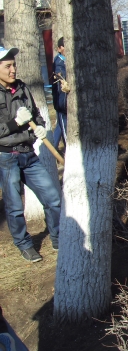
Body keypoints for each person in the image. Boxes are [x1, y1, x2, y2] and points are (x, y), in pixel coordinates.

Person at [0, 46, 61, 262]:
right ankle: (24, 244)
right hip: (6, 157)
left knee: (53, 198)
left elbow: (36, 116)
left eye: (14, 65)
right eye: (7, 66)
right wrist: (15, 123)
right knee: (15, 207)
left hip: (28, 154)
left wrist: (40, 128)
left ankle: (58, 237)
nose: (13, 70)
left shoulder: (23, 88)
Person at [52, 37, 67, 150]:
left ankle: (52, 148)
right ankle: (68, 149)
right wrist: (62, 105)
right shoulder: (59, 64)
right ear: (59, 48)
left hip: (64, 102)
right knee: (64, 128)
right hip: (62, 103)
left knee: (59, 126)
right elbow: (60, 85)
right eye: (64, 46)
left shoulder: (65, 60)